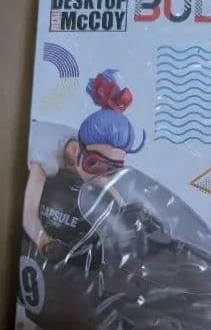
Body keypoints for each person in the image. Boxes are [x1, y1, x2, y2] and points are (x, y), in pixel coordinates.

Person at [23, 69, 145, 255]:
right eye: (94, 163)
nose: (103, 174)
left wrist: (124, 206)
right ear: (74, 151)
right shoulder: (44, 158)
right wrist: (45, 243)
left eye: (113, 167)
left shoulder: (83, 145)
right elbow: (28, 214)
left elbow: (102, 179)